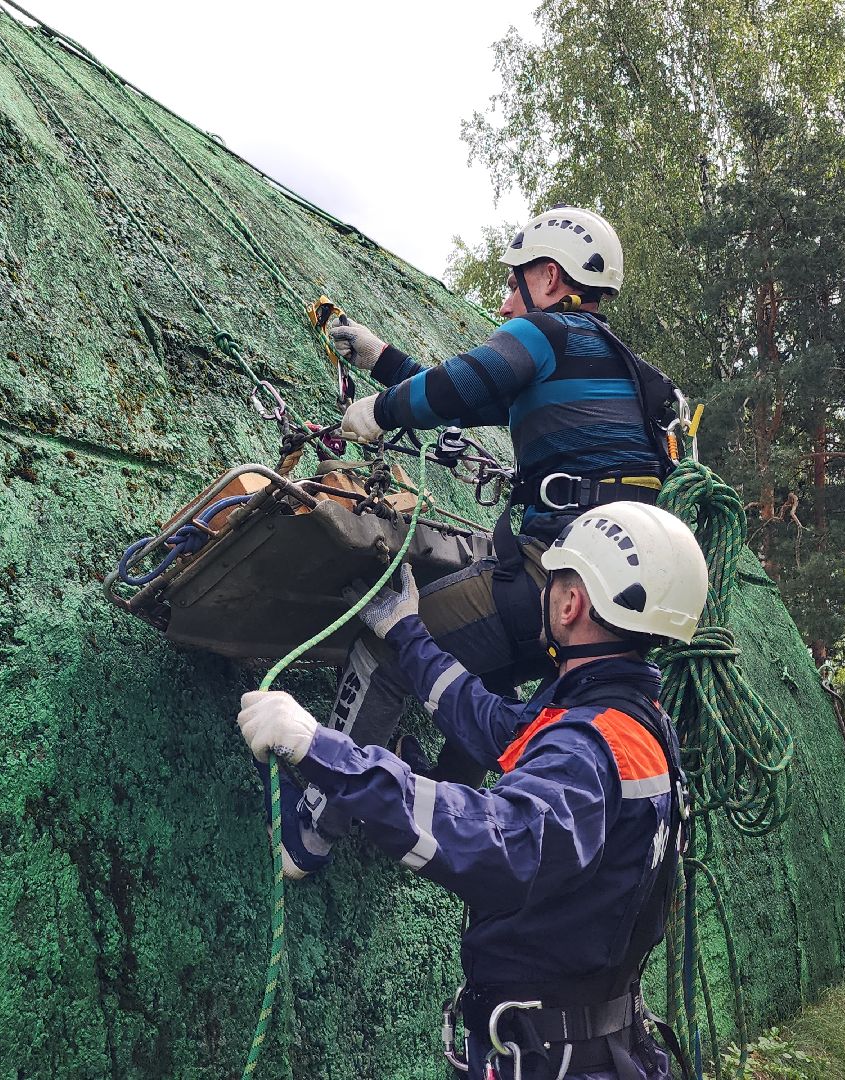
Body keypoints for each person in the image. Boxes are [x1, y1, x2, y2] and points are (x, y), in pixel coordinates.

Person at [235, 502, 707, 1079]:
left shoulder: (586, 747)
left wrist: (320, 748)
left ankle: (307, 833)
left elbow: (499, 842)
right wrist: (407, 632)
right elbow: (497, 727)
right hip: (590, 1043)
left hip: (553, 1061)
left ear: (570, 603)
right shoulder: (626, 720)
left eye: (554, 576)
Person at [281, 206, 677, 877]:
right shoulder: (628, 376)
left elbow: (463, 382)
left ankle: (314, 829)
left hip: (553, 579)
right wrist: (377, 356)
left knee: (385, 643)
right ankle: (441, 790)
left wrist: (378, 412)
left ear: (548, 277)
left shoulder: (545, 334)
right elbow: (469, 394)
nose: (504, 303)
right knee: (485, 668)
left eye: (513, 284)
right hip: (601, 616)